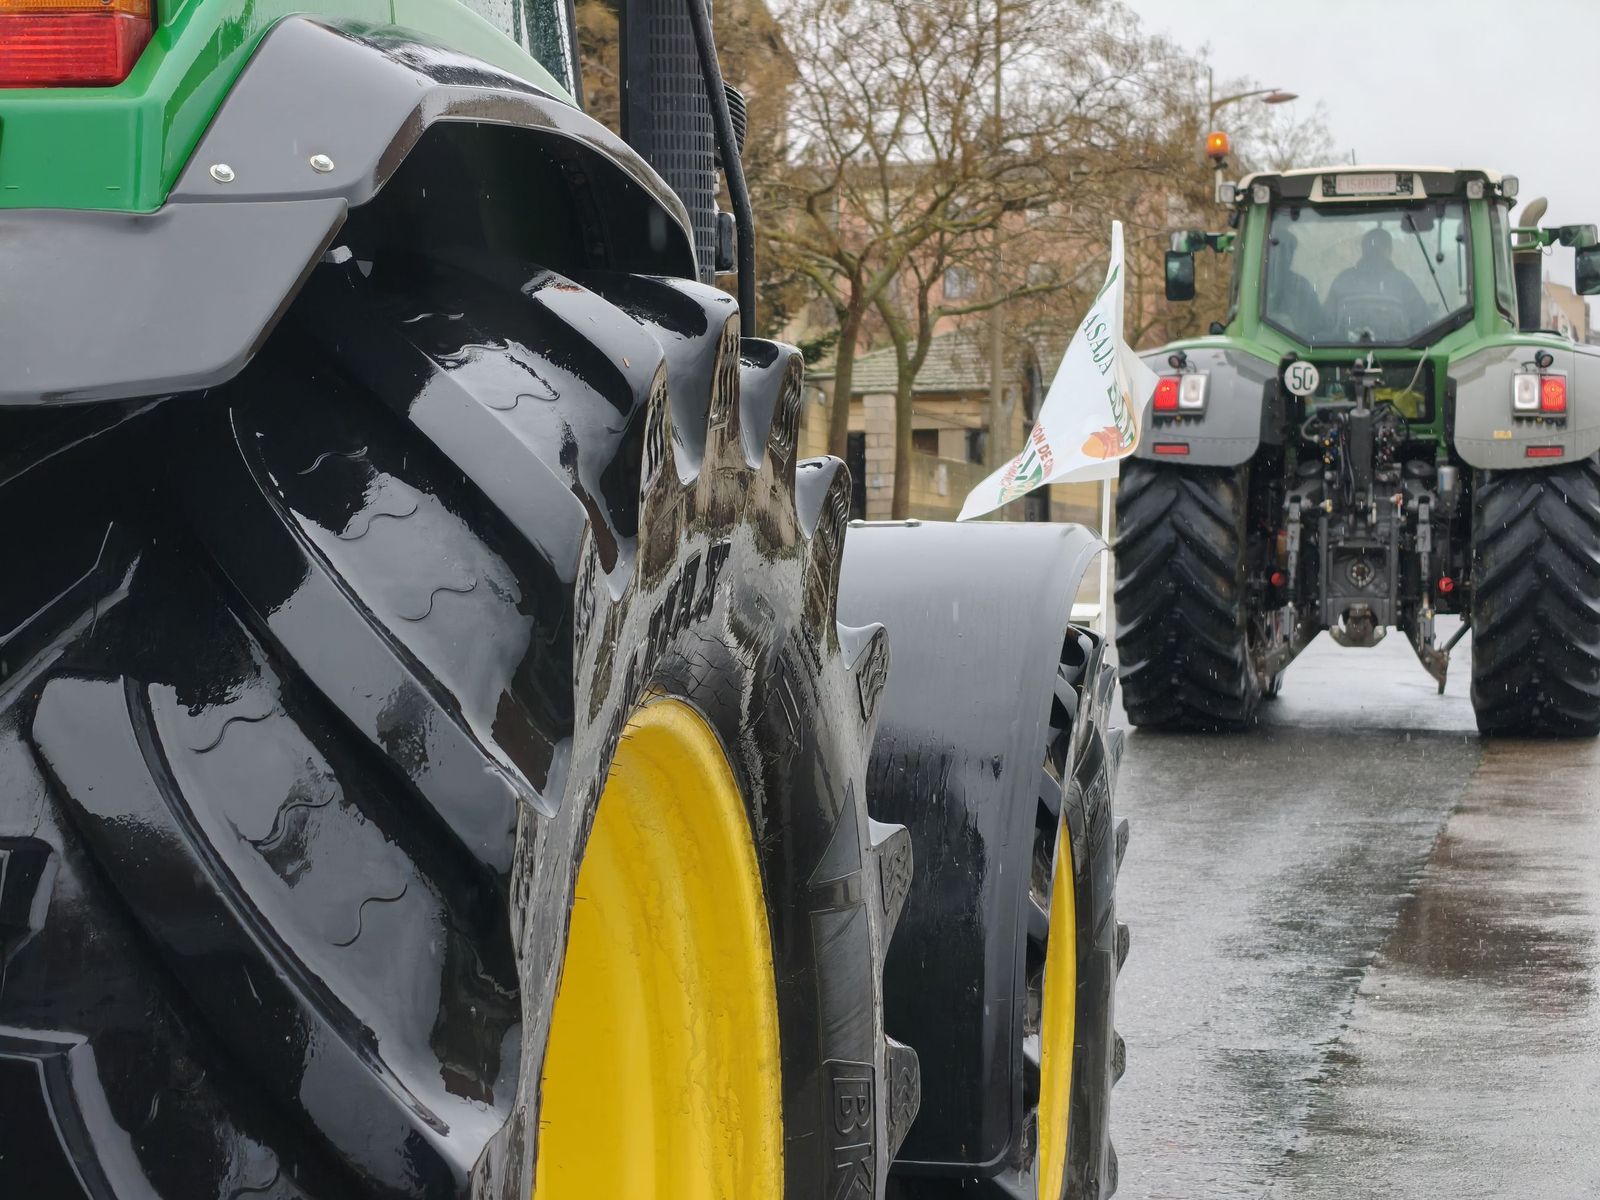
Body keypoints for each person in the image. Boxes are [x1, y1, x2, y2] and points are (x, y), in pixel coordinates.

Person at [1324, 227, 1428, 338]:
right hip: (1396, 354)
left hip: (1343, 353)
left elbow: (1325, 324)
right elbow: (1423, 326)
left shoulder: (1343, 280)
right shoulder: (1403, 283)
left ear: (1363, 250)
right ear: (1388, 251)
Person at [1265, 230, 1323, 339]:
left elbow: (1319, 326)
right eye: (1281, 252)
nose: (1286, 257)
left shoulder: (1303, 287)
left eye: (1290, 252)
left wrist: (1295, 333)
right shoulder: (1253, 285)